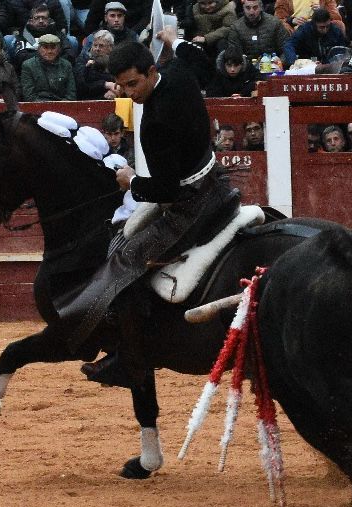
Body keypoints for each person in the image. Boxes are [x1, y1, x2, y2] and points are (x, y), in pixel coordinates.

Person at [73, 40, 238, 391]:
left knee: (125, 257)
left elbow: (166, 191)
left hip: (192, 204)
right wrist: (173, 39)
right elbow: (201, 60)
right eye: (121, 86)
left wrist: (132, 181)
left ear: (151, 72)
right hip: (217, 179)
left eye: (134, 84)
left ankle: (131, 353)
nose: (129, 93)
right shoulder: (179, 72)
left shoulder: (155, 123)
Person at [6, 3, 75, 72]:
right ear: (31, 21)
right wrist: (49, 56)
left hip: (56, 70)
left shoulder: (57, 33)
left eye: (44, 18)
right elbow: (21, 58)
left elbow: (69, 53)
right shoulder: (24, 35)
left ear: (49, 20)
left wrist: (50, 60)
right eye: (37, 18)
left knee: (73, 40)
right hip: (32, 71)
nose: (41, 21)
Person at [282, 7, 348, 68]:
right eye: (321, 27)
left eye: (327, 26)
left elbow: (341, 51)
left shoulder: (335, 31)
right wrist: (295, 62)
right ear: (314, 24)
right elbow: (289, 45)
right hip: (308, 66)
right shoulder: (304, 30)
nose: (325, 30)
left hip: (330, 66)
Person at [20, 32, 76, 100]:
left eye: (53, 47)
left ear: (59, 49)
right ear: (39, 49)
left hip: (62, 105)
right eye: (45, 47)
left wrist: (60, 106)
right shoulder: (28, 65)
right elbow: (29, 95)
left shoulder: (66, 65)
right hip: (38, 106)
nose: (49, 51)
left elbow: (71, 94)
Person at [74, 28, 119, 98]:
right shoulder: (83, 59)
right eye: (95, 45)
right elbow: (81, 84)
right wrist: (105, 84)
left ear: (110, 47)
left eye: (101, 46)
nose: (97, 49)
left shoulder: (116, 61)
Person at [274, 0, 344, 34]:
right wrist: (291, 20)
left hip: (319, 25)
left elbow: (336, 17)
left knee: (339, 24)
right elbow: (277, 19)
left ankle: (336, 55)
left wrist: (322, 12)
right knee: (282, 27)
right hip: (296, 28)